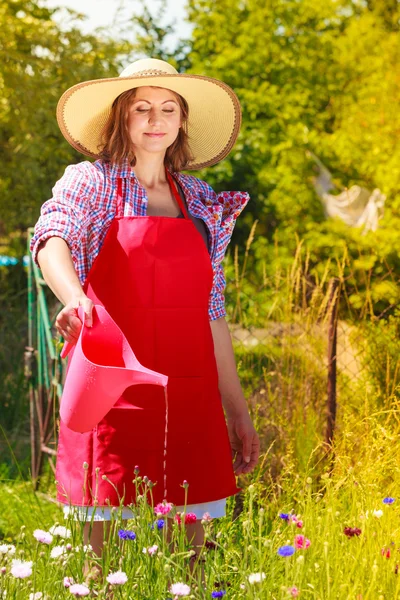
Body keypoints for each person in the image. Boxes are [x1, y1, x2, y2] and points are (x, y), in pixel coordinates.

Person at [30, 58, 259, 558]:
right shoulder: (92, 183)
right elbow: (52, 238)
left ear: (181, 121)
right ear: (123, 118)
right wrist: (75, 296)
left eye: (168, 108)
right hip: (112, 391)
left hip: (189, 393)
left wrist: (237, 408)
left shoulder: (199, 200)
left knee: (192, 560)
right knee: (101, 564)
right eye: (142, 108)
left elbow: (212, 311)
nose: (156, 119)